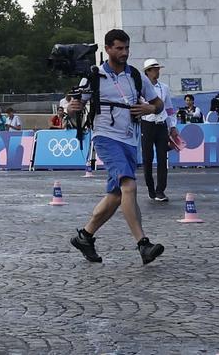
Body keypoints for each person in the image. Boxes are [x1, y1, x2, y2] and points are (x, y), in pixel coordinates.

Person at [67, 28, 167, 266]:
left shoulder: (135, 75)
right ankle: (143, 244)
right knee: (129, 185)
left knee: (115, 196)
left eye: (127, 48)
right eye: (119, 48)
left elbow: (159, 103)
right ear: (108, 49)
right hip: (105, 137)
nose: (124, 53)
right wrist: (72, 108)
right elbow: (76, 104)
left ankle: (85, 236)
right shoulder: (94, 76)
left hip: (130, 139)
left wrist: (150, 109)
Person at [137, 60, 173, 203]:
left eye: (158, 69)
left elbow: (169, 108)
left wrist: (173, 126)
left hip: (161, 124)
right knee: (147, 158)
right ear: (148, 71)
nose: (157, 72)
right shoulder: (140, 88)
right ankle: (151, 188)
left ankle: (160, 190)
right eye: (154, 69)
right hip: (147, 124)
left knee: (162, 158)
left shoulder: (164, 88)